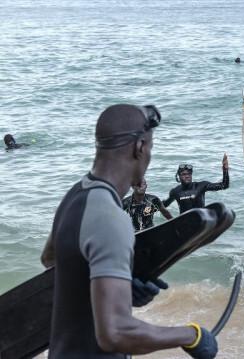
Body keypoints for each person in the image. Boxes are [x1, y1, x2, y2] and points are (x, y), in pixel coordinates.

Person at [39, 104, 217, 358]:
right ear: (140, 147)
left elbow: (51, 259)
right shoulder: (111, 218)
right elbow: (115, 333)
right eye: (151, 149)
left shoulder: (77, 194)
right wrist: (190, 336)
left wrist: (111, 282)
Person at [163, 155, 229, 214]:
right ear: (179, 176)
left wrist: (225, 171)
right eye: (184, 174)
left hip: (201, 220)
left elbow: (224, 186)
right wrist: (153, 206)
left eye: (189, 174)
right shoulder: (175, 191)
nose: (187, 176)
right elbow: (164, 205)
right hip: (185, 222)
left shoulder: (201, 186)